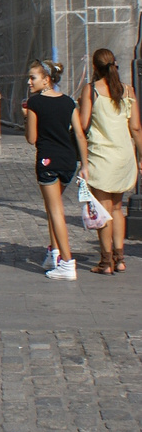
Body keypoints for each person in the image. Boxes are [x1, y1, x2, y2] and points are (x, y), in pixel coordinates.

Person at [77, 47, 142, 274]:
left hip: (102, 157)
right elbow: (135, 128)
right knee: (116, 208)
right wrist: (141, 157)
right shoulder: (129, 91)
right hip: (124, 157)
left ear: (95, 67)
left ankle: (105, 262)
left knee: (102, 208)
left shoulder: (91, 90)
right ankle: (120, 258)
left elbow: (84, 124)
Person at [24, 59, 89, 281]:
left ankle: (67, 262)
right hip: (68, 160)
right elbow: (79, 134)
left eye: (33, 77)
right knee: (55, 207)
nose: (29, 82)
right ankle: (54, 253)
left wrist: (27, 119)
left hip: (47, 160)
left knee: (55, 211)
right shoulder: (69, 102)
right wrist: (85, 165)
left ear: (46, 79)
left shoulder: (35, 104)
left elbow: (31, 139)